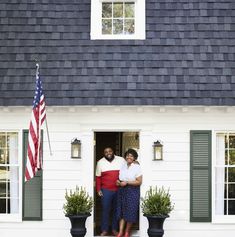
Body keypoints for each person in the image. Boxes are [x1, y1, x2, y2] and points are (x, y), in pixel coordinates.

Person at [96, 147, 125, 236]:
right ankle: (104, 230)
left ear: (113, 152)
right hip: (106, 190)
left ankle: (114, 229)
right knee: (105, 210)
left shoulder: (121, 160)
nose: (108, 153)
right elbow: (98, 177)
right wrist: (98, 189)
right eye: (106, 152)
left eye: (110, 151)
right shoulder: (100, 162)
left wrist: (121, 181)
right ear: (104, 153)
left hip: (119, 190)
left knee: (116, 210)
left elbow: (127, 171)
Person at [116, 149, 142, 237]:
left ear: (134, 158)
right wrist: (118, 182)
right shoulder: (123, 166)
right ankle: (120, 232)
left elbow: (139, 182)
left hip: (132, 191)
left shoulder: (137, 167)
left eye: (131, 156)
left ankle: (127, 232)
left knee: (130, 211)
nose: (129, 157)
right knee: (122, 211)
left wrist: (127, 182)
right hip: (122, 190)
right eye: (127, 155)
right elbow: (120, 179)